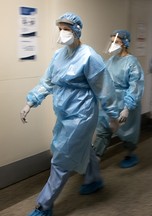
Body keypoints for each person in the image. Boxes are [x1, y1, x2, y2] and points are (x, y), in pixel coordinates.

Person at [20, 12, 119, 216]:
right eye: (60, 29)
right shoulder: (59, 55)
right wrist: (31, 101)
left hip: (82, 114)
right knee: (83, 148)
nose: (63, 33)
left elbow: (105, 89)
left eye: (67, 29)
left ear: (76, 30)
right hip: (65, 112)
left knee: (62, 157)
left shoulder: (90, 56)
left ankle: (44, 206)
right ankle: (94, 179)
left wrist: (113, 115)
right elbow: (47, 81)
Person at [92, 30, 144, 168]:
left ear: (125, 43)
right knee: (103, 130)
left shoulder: (132, 63)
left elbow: (135, 86)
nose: (112, 44)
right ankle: (94, 161)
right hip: (110, 103)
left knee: (128, 133)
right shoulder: (110, 60)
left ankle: (130, 154)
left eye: (116, 41)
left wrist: (127, 108)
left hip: (126, 104)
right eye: (111, 41)